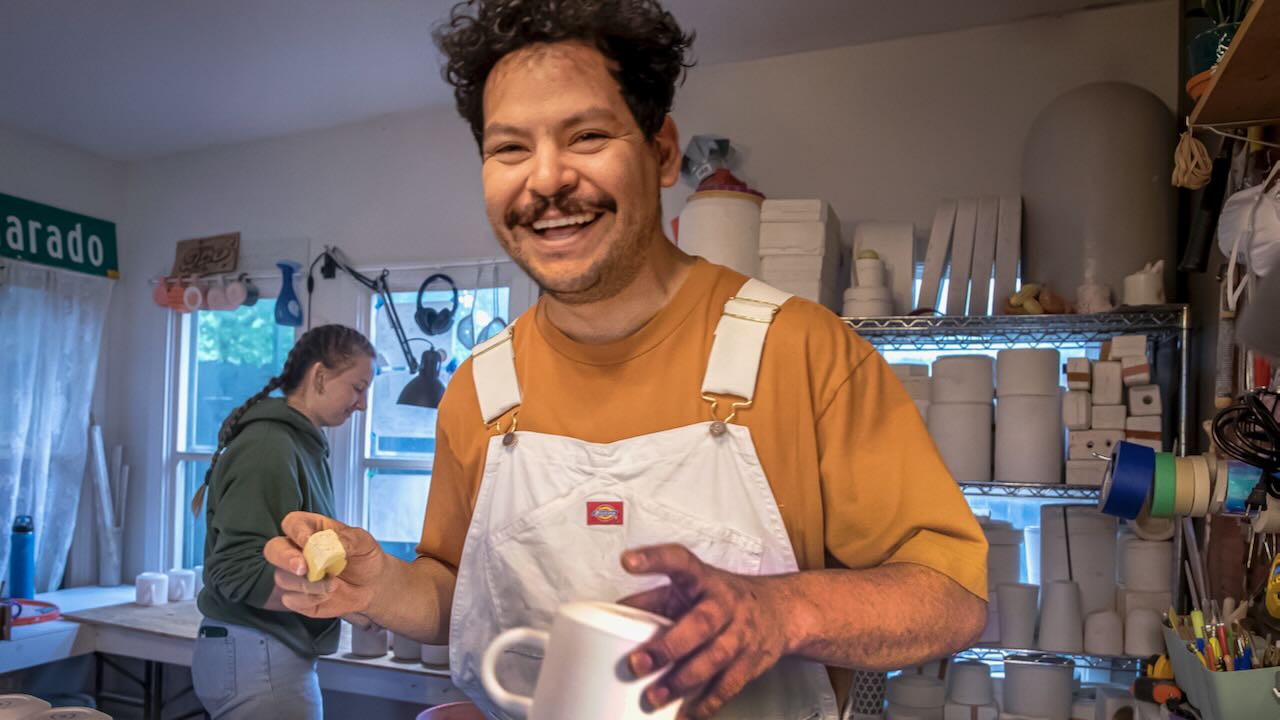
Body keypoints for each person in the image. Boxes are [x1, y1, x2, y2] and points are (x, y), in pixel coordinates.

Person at [264, 1, 988, 718]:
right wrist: (383, 585)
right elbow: (458, 591)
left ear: (662, 151)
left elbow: (951, 598)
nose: (545, 181)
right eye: (509, 148)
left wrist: (783, 610)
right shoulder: (481, 388)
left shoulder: (802, 352)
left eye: (585, 135)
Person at [192, 324, 375, 719]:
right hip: (259, 655)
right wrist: (344, 601)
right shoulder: (270, 446)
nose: (362, 405)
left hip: (260, 652)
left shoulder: (299, 445)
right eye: (358, 388)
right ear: (320, 376)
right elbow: (236, 569)